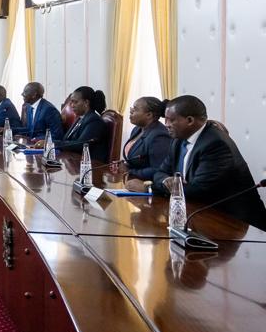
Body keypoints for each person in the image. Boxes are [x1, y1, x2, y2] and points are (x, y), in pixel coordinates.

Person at [130, 95, 266, 230]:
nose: (166, 125)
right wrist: (167, 181)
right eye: (165, 119)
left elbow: (197, 191)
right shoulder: (178, 140)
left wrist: (149, 188)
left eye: (171, 120)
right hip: (201, 215)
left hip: (235, 222)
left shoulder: (215, 144)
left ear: (190, 120)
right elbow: (160, 173)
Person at [117, 96, 171, 179]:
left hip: (147, 183)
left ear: (149, 115)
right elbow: (136, 160)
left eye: (135, 109)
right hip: (132, 180)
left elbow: (158, 169)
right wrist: (124, 165)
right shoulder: (137, 129)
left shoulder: (159, 136)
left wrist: (129, 171)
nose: (131, 111)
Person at [0, 81, 64, 141]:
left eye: (25, 92)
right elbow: (29, 129)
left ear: (34, 95)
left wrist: (36, 140)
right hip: (31, 144)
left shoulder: (49, 110)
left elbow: (57, 135)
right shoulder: (29, 107)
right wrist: (8, 130)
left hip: (43, 146)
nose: (22, 94)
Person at [56, 86, 110, 162]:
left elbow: (80, 145)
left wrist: (53, 144)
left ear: (86, 103)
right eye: (71, 102)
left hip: (91, 164)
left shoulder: (94, 121)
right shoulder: (80, 118)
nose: (72, 105)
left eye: (75, 102)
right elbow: (66, 139)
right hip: (76, 160)